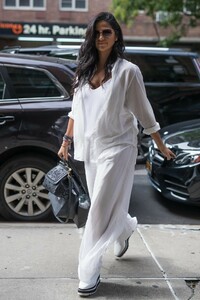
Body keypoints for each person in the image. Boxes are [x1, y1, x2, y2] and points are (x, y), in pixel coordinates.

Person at [58, 11, 176, 297]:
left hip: (120, 147)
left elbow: (144, 111)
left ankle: (89, 269)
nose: (101, 37)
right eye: (97, 32)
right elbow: (76, 110)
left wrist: (159, 143)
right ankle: (123, 230)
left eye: (107, 32)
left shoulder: (128, 71)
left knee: (98, 206)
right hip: (91, 147)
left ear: (116, 36)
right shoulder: (83, 71)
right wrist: (66, 141)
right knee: (104, 201)